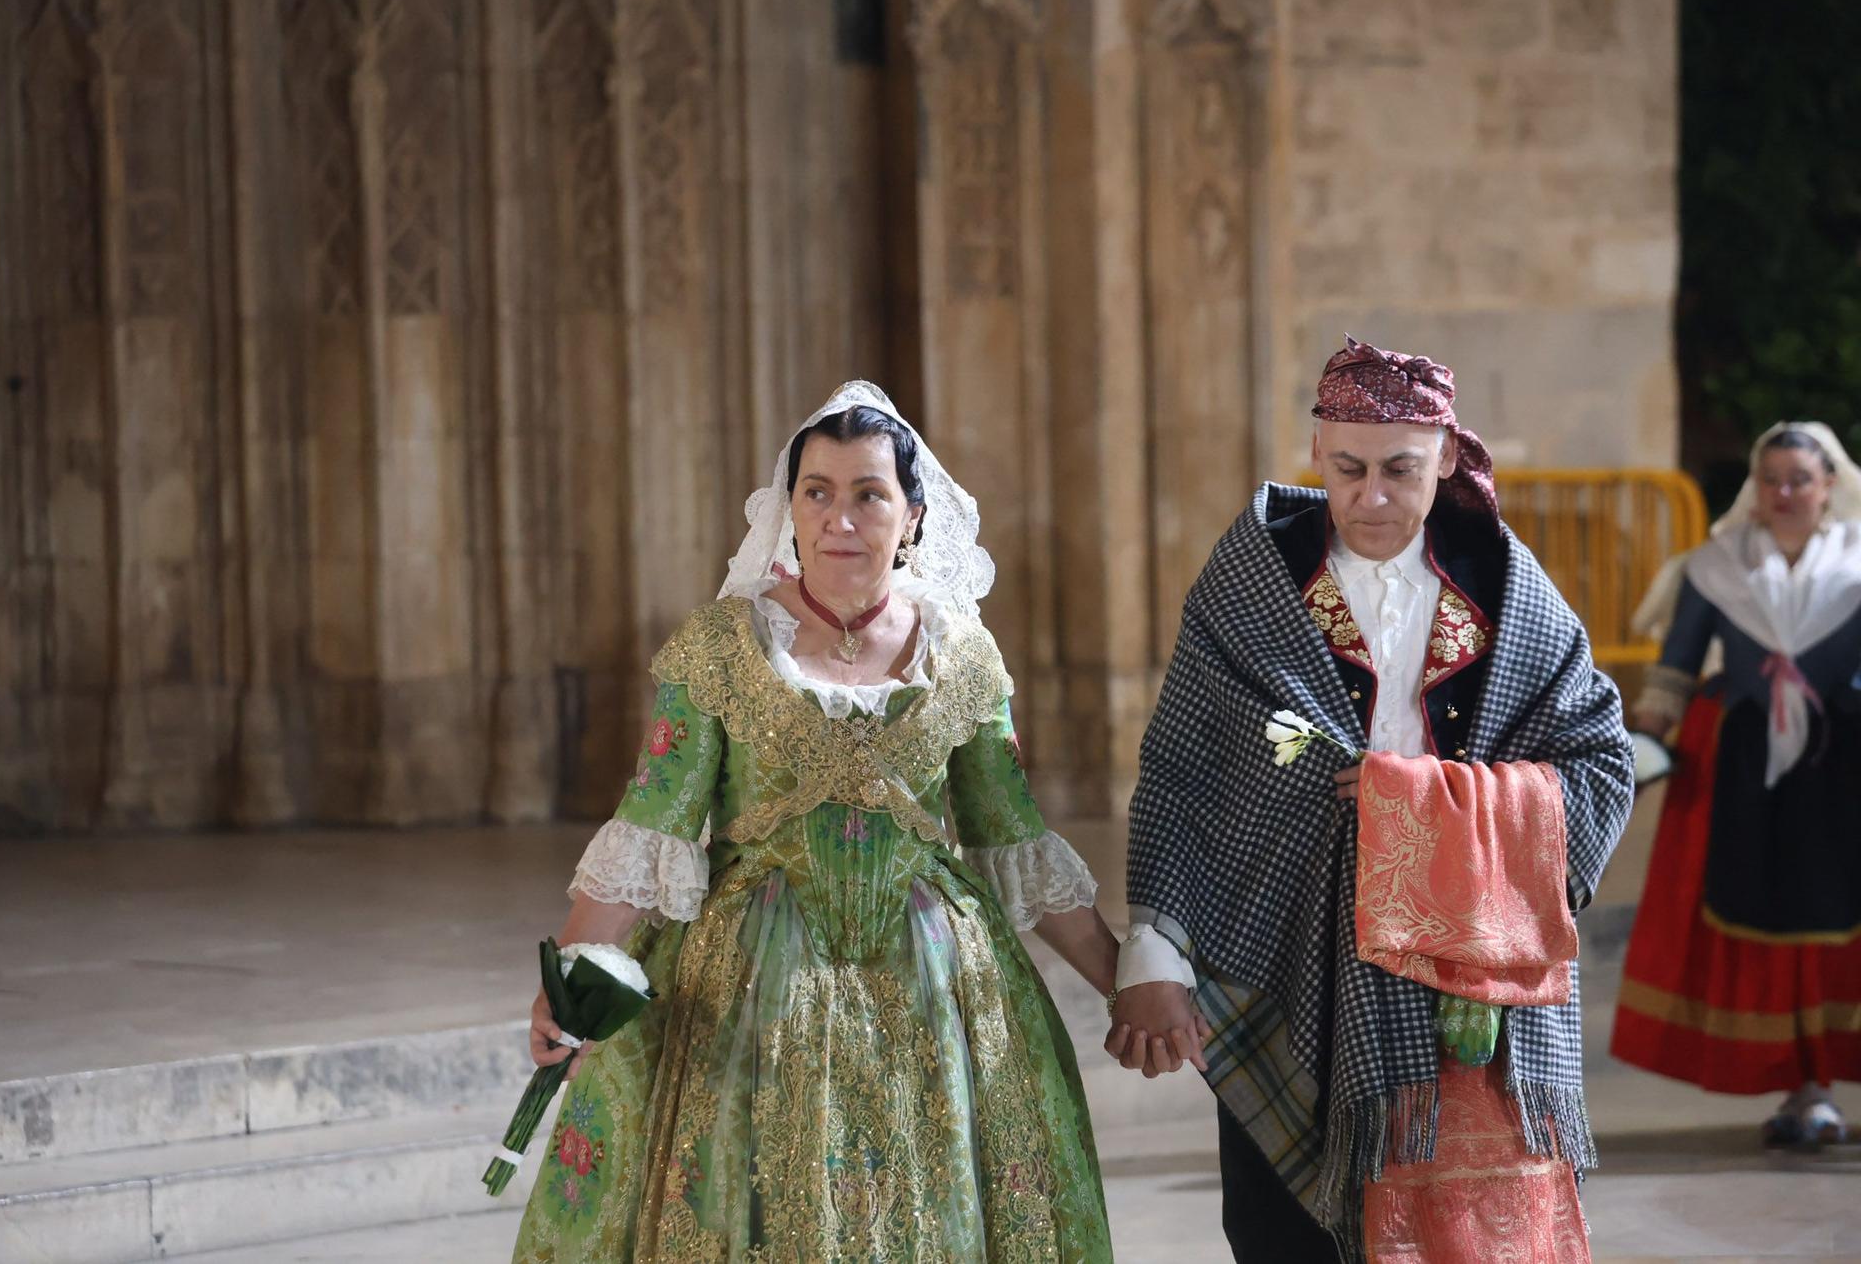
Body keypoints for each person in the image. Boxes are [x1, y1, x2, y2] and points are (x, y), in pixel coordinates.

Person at [511, 382, 1118, 1261]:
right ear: (789, 510)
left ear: (911, 515)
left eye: (868, 493)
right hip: (749, 996)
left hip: (935, 992)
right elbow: (653, 827)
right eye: (818, 492)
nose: (841, 517)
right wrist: (569, 979)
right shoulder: (724, 646)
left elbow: (1011, 836)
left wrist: (1125, 982)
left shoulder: (964, 655)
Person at [1110, 337, 1633, 1261]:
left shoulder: (1511, 592)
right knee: (1283, 1231)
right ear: (1316, 450)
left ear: (1448, 460)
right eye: (1349, 468)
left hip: (1469, 975)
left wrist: (1432, 805)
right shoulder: (1248, 586)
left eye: (1402, 469)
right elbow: (1182, 772)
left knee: (1460, 1231)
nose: (1373, 496)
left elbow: (1601, 761)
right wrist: (1153, 951)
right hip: (1284, 949)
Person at [1614, 421, 1861, 1146]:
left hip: (1843, 766)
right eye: (1772, 479)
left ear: (1828, 487)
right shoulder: (1715, 566)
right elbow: (1675, 666)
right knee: (1767, 920)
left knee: (1840, 919)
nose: (1785, 492)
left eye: (1799, 480)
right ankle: (1802, 1087)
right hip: (1744, 766)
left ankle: (1823, 1081)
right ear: (1754, 489)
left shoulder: (1858, 566)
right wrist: (1644, 745)